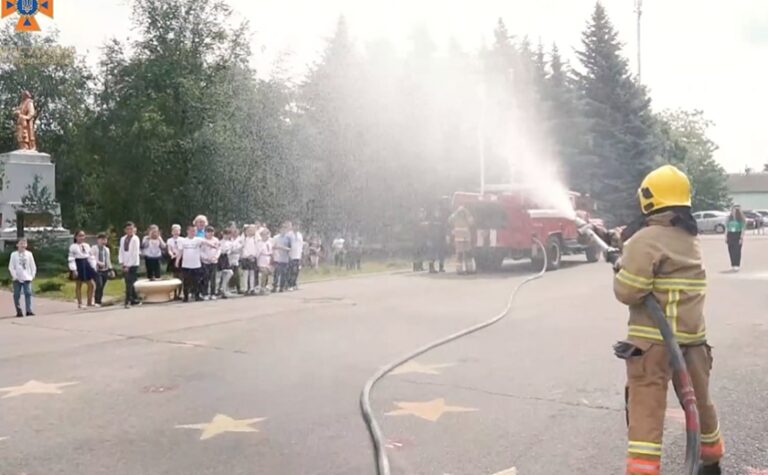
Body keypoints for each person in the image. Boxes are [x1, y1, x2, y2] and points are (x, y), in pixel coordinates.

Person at [613, 165, 723, 475]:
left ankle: (643, 471)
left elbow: (629, 291)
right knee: (701, 405)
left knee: (646, 413)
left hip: (653, 346)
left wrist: (619, 268)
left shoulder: (645, 239)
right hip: (694, 343)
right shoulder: (690, 239)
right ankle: (711, 459)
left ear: (648, 199)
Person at [68, 230, 97, 309]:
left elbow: (90, 256)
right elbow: (71, 258)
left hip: (86, 263)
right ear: (76, 237)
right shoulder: (73, 246)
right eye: (79, 236)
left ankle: (89, 302)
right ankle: (80, 303)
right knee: (79, 284)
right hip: (78, 264)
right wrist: (74, 269)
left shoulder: (87, 245)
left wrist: (93, 266)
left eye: (83, 236)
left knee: (91, 284)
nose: (81, 237)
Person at [9, 238, 36, 317]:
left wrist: (32, 275)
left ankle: (29, 310)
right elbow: (11, 266)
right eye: (21, 243)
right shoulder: (14, 254)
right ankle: (18, 310)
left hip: (27, 277)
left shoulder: (29, 254)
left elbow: (32, 265)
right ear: (17, 245)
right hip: (17, 278)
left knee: (28, 293)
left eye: (24, 243)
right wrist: (14, 275)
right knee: (17, 294)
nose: (23, 245)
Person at [177, 225, 204, 302]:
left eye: (194, 231)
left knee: (197, 281)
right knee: (186, 281)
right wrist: (177, 260)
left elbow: (206, 242)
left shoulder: (198, 240)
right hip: (186, 265)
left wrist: (213, 245)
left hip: (196, 264)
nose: (193, 232)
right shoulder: (183, 241)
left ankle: (197, 296)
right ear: (187, 231)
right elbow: (180, 251)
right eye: (191, 231)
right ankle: (186, 297)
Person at [119, 222, 142, 308]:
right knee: (129, 282)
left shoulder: (135, 239)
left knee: (129, 282)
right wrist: (122, 262)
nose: (130, 231)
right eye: (128, 229)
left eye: (131, 229)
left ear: (134, 229)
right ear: (125, 230)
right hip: (125, 263)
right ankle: (134, 299)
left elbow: (134, 253)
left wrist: (129, 265)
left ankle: (128, 300)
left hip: (133, 263)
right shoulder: (123, 239)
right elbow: (121, 251)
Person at [448, 206, 476, 275]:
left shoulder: (456, 218)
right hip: (464, 238)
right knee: (465, 254)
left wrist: (456, 212)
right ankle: (468, 270)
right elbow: (472, 222)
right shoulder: (465, 217)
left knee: (462, 254)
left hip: (461, 238)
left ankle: (461, 270)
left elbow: (449, 220)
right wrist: (467, 213)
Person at [91, 233, 114, 307]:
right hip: (97, 270)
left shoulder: (107, 249)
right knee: (99, 285)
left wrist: (111, 269)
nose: (103, 241)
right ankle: (96, 301)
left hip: (105, 270)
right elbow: (91, 258)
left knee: (102, 286)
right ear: (98, 240)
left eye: (105, 239)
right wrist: (98, 262)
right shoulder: (94, 248)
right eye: (102, 239)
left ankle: (99, 300)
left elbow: (108, 260)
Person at [200, 226, 220, 300]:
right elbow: (200, 251)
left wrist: (216, 257)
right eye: (208, 232)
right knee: (206, 278)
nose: (210, 233)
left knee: (213, 278)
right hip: (205, 262)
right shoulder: (202, 241)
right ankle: (205, 293)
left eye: (212, 232)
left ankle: (213, 293)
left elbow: (218, 250)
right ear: (205, 233)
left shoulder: (216, 240)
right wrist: (206, 258)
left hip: (214, 261)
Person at [272, 222, 293, 293]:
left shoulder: (288, 238)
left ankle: (281, 287)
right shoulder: (275, 237)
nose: (283, 230)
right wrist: (279, 247)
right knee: (276, 273)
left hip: (285, 258)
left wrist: (285, 248)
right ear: (279, 230)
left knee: (283, 273)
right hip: (277, 258)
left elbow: (290, 248)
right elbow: (272, 246)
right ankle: (274, 286)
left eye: (285, 229)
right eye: (282, 229)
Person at [725, 205, 746, 271]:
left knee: (737, 251)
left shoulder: (741, 220)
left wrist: (741, 238)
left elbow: (742, 229)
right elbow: (726, 228)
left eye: (734, 211)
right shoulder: (729, 219)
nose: (733, 212)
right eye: (732, 210)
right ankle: (733, 264)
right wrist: (726, 237)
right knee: (731, 250)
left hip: (737, 234)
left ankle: (737, 264)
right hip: (730, 234)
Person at [240, 225, 259, 295]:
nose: (250, 232)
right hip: (246, 258)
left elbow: (257, 248)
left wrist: (253, 256)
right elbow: (243, 249)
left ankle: (252, 288)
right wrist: (247, 256)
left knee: (252, 274)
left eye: (251, 231)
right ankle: (245, 288)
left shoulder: (255, 239)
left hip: (253, 258)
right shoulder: (244, 239)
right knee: (245, 274)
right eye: (248, 231)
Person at [166, 224, 183, 300]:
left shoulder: (183, 240)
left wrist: (178, 256)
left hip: (181, 259)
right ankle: (174, 294)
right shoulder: (169, 240)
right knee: (174, 276)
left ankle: (180, 293)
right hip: (173, 258)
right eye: (174, 231)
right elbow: (169, 249)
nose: (176, 232)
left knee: (181, 277)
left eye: (177, 231)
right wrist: (171, 254)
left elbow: (182, 250)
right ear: (172, 232)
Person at [217, 228, 235, 299]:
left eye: (228, 234)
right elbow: (219, 249)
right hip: (220, 258)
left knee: (229, 273)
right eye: (226, 234)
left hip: (227, 258)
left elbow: (232, 250)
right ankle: (218, 290)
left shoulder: (230, 243)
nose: (227, 236)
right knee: (219, 274)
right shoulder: (219, 242)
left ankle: (223, 288)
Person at [256, 227, 273, 294]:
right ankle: (262, 287)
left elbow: (270, 251)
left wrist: (271, 259)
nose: (266, 236)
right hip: (261, 259)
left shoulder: (269, 242)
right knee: (264, 272)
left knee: (268, 273)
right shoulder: (260, 243)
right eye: (264, 234)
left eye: (267, 234)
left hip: (267, 259)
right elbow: (258, 252)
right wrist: (256, 260)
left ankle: (265, 286)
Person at [228, 223, 243, 294]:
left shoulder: (240, 239)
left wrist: (233, 250)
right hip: (229, 258)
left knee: (237, 274)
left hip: (238, 257)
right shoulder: (228, 238)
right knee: (229, 273)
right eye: (231, 228)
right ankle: (230, 287)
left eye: (235, 230)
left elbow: (240, 248)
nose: (233, 231)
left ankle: (238, 287)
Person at [287, 222, 303, 291]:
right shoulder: (289, 235)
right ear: (292, 226)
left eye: (298, 226)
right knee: (291, 270)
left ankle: (294, 283)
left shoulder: (300, 235)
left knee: (297, 270)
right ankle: (289, 284)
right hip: (291, 255)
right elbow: (287, 245)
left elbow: (301, 245)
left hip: (298, 255)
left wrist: (301, 255)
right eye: (295, 226)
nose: (297, 227)